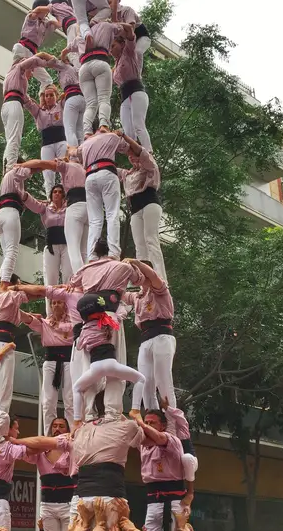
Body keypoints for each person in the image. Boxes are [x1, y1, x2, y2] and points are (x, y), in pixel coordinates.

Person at [72, 291, 145, 426]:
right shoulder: (108, 322)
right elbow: (121, 315)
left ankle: (76, 420)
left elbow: (80, 346)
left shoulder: (84, 330)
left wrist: (78, 334)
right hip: (111, 364)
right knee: (140, 379)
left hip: (95, 368)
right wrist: (121, 306)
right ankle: (135, 410)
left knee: (76, 388)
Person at [121, 259, 174, 417]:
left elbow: (152, 275)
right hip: (145, 339)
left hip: (162, 335)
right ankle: (153, 419)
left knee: (163, 381)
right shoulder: (137, 296)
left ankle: (172, 422)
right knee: (145, 383)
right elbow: (119, 293)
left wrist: (135, 262)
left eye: (140, 272)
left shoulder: (159, 288)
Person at [10, 418, 76, 531]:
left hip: (68, 504)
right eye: (55, 426)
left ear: (67, 430)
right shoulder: (41, 451)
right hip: (47, 505)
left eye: (61, 426)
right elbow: (26, 449)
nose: (57, 429)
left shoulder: (71, 448)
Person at [135, 410, 189, 531]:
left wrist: (140, 422)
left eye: (152, 423)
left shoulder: (171, 440)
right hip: (153, 500)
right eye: (146, 422)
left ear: (163, 426)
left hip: (174, 500)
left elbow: (159, 439)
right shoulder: (143, 445)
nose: (148, 425)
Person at [116, 132, 165, 278]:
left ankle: (160, 277)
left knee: (151, 239)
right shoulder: (127, 174)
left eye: (132, 152)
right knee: (140, 245)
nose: (130, 155)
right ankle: (144, 277)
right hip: (135, 209)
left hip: (149, 203)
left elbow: (140, 152)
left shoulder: (149, 164)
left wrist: (124, 136)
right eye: (128, 154)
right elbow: (108, 168)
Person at [20, 303, 74, 433]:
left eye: (59, 302)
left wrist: (53, 324)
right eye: (53, 303)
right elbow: (26, 319)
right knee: (48, 401)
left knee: (70, 400)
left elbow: (71, 327)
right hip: (50, 361)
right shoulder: (45, 323)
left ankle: (72, 435)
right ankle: (48, 435)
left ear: (65, 305)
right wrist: (22, 311)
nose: (56, 305)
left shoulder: (74, 321)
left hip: (69, 361)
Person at [0, 280, 27, 449]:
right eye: (18, 283)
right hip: (3, 344)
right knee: (3, 392)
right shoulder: (10, 294)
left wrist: (32, 317)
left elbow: (21, 315)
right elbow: (34, 292)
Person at [79, 130, 130, 260]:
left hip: (89, 177)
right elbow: (127, 147)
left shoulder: (85, 143)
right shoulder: (111, 136)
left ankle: (92, 255)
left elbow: (73, 153)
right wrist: (119, 134)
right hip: (106, 172)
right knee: (112, 214)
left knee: (95, 220)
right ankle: (113, 252)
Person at [1, 51, 55, 170]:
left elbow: (27, 101)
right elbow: (31, 61)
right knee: (15, 138)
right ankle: (10, 168)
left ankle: (6, 168)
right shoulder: (18, 68)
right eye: (31, 70)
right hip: (14, 104)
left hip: (7, 104)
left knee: (10, 139)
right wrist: (45, 59)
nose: (31, 74)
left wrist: (40, 109)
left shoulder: (13, 78)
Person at [0, 165, 37, 288]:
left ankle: (0, 285)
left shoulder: (6, 180)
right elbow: (30, 170)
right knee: (12, 251)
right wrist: (37, 164)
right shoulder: (16, 171)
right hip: (10, 213)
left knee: (7, 254)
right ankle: (3, 285)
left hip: (0, 215)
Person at [78, 20, 123, 135]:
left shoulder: (82, 33)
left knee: (91, 104)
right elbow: (122, 29)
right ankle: (103, 125)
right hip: (100, 62)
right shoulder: (107, 25)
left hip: (84, 68)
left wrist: (64, 55)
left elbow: (68, 48)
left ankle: (87, 132)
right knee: (103, 98)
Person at [111, 23, 151, 151]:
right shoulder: (115, 67)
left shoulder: (129, 52)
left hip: (136, 91)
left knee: (138, 124)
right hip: (125, 97)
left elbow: (129, 30)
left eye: (113, 46)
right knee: (128, 131)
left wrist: (114, 23)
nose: (110, 50)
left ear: (122, 44)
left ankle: (148, 152)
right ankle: (135, 158)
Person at [26, 86, 68, 199]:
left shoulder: (60, 105)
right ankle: (50, 199)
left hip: (61, 141)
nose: (49, 97)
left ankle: (67, 196)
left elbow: (69, 95)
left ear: (56, 96)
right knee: (47, 172)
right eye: (46, 95)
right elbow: (28, 103)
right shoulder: (39, 111)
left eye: (51, 95)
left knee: (64, 168)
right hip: (47, 144)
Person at [45, 50, 85, 150]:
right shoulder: (76, 69)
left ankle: (74, 154)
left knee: (69, 129)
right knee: (80, 130)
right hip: (82, 99)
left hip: (72, 99)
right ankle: (83, 151)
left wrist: (40, 56)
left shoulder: (65, 66)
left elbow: (52, 60)